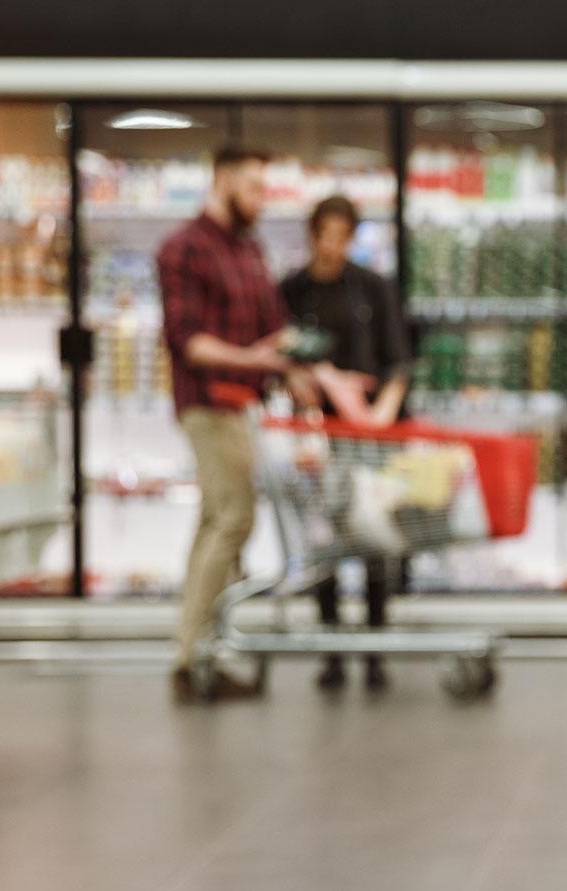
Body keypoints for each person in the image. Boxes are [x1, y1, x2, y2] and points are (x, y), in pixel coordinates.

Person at [158, 146, 317, 702]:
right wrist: (260, 360)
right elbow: (188, 342)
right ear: (221, 182)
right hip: (208, 403)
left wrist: (302, 366)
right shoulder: (184, 250)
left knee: (216, 522)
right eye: (252, 187)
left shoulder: (249, 251)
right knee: (233, 520)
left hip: (246, 408)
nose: (261, 198)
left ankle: (207, 650)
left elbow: (277, 327)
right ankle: (189, 654)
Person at [280, 195, 413, 691]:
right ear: (311, 235)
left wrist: (380, 416)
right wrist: (296, 381)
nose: (333, 246)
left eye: (342, 236)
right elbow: (280, 357)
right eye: (324, 235)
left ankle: (376, 651)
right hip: (314, 437)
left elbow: (399, 360)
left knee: (376, 537)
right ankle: (331, 650)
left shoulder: (374, 288)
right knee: (323, 540)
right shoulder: (291, 290)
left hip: (371, 437)